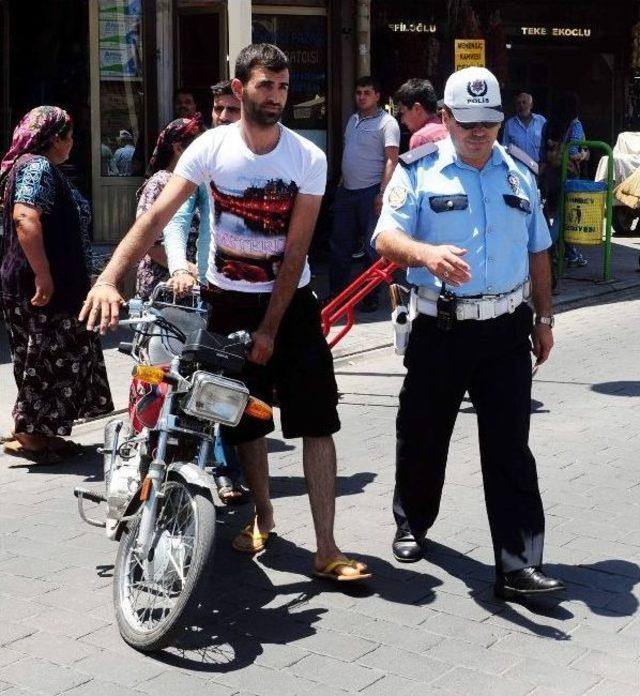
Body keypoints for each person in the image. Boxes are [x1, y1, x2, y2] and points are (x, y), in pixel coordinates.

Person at [80, 43, 370, 582]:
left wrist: (269, 328)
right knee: (243, 420)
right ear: (239, 88)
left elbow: (297, 252)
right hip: (224, 302)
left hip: (289, 304)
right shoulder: (209, 149)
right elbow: (154, 219)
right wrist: (106, 278)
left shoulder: (307, 158)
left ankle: (326, 547)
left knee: (317, 423)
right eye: (265, 86)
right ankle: (263, 517)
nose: (276, 97)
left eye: (283, 87)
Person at [373, 67, 565, 599]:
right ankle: (412, 521)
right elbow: (385, 237)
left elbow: (539, 250)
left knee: (510, 448)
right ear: (445, 118)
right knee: (423, 433)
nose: (477, 132)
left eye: (488, 122)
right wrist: (425, 254)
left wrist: (544, 319)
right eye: (466, 122)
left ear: (500, 120)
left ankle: (519, 563)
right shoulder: (417, 171)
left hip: (506, 329)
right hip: (441, 326)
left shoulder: (520, 172)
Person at [0, 106, 113, 462]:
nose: (72, 144)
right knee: (48, 359)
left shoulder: (32, 166)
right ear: (55, 139)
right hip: (43, 287)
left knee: (48, 357)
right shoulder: (37, 166)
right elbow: (25, 217)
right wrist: (44, 274)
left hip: (45, 284)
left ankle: (43, 434)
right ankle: (30, 434)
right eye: (70, 136)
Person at [164, 86, 247, 505]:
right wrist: (179, 265)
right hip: (212, 289)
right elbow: (176, 219)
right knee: (209, 379)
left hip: (258, 291)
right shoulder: (202, 157)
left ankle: (237, 463)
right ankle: (222, 468)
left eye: (232, 109)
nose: (224, 116)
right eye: (218, 108)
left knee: (246, 385)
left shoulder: (269, 154)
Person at [327, 76, 400, 312]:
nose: (361, 96)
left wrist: (382, 193)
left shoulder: (387, 123)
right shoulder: (353, 119)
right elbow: (349, 154)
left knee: (372, 248)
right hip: (346, 192)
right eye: (358, 92)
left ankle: (370, 297)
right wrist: (340, 185)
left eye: (367, 92)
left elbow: (391, 159)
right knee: (340, 246)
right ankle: (337, 297)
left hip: (370, 193)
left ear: (377, 96)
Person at [135, 115, 205, 300]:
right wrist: (187, 270)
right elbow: (149, 241)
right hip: (165, 288)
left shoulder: (200, 184)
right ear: (179, 148)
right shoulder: (160, 183)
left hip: (193, 289)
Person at [544, 92, 588, 268]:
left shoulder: (549, 123)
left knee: (552, 214)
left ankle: (570, 253)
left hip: (550, 173)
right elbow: (573, 153)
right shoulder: (575, 125)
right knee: (563, 217)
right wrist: (585, 154)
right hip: (567, 175)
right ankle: (546, 251)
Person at [394, 78, 448, 149]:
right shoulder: (450, 130)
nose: (402, 121)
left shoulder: (420, 138)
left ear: (417, 109)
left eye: (403, 113)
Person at [501, 91, 547, 168]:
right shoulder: (509, 124)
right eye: (518, 103)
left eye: (524, 102)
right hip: (518, 168)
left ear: (531, 105)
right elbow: (505, 147)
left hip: (540, 168)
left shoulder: (541, 121)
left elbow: (548, 144)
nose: (521, 105)